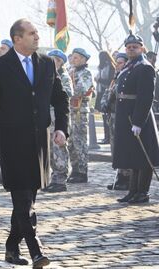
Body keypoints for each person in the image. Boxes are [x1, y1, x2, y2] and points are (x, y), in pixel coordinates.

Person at [0, 19, 69, 267]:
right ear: (17, 38)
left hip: (40, 143)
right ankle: (36, 250)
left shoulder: (47, 64)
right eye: (31, 33)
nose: (36, 37)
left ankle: (10, 247)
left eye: (37, 33)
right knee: (22, 197)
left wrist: (61, 127)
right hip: (12, 142)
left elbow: (60, 99)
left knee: (29, 198)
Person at [114, 34, 159, 204]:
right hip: (126, 115)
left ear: (142, 48)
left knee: (143, 156)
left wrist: (138, 121)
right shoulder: (129, 66)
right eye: (129, 47)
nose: (131, 49)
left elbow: (146, 97)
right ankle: (132, 190)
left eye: (135, 46)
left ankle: (142, 192)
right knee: (133, 155)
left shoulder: (145, 67)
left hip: (138, 116)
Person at [43, 49, 73, 193]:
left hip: (57, 115)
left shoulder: (64, 76)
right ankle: (53, 177)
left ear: (61, 63)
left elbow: (66, 94)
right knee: (50, 148)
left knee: (59, 147)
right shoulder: (45, 75)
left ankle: (60, 179)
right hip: (48, 115)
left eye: (56, 60)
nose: (52, 62)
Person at [103, 52, 132, 191]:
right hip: (112, 115)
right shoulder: (116, 77)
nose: (117, 65)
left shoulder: (126, 76)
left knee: (124, 147)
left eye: (120, 62)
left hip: (122, 116)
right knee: (115, 148)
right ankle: (119, 176)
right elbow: (108, 93)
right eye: (117, 62)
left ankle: (127, 177)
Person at [67, 48, 94, 183]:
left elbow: (82, 89)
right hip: (69, 111)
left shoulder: (86, 73)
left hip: (79, 112)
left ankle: (82, 172)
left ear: (83, 59)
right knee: (71, 142)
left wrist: (67, 89)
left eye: (76, 57)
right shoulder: (70, 71)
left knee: (80, 142)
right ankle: (75, 169)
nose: (73, 59)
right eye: (72, 57)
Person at [95, 51, 116, 145]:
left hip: (107, 93)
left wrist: (99, 80)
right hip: (100, 92)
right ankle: (106, 136)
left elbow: (110, 81)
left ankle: (109, 137)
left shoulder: (111, 67)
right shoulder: (102, 67)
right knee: (104, 117)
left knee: (107, 117)